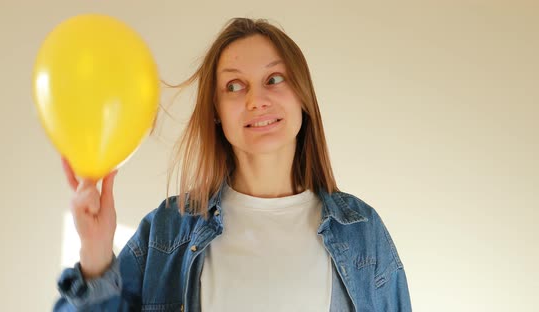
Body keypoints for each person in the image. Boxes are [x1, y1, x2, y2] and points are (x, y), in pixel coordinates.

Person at [53, 17, 412, 312]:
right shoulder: (169, 230)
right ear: (216, 114)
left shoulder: (362, 232)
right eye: (235, 86)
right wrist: (95, 255)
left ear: (302, 96)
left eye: (274, 79)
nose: (257, 100)